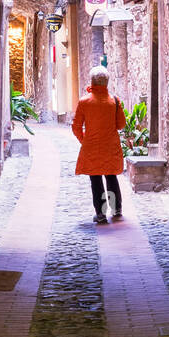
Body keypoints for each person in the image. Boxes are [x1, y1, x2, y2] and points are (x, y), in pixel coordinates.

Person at [71, 66, 126, 224]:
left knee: (95, 179)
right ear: (107, 82)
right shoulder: (114, 101)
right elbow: (121, 124)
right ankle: (116, 209)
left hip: (92, 147)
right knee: (111, 176)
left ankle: (100, 214)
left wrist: (84, 140)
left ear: (92, 81)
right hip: (110, 146)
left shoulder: (84, 102)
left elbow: (76, 126)